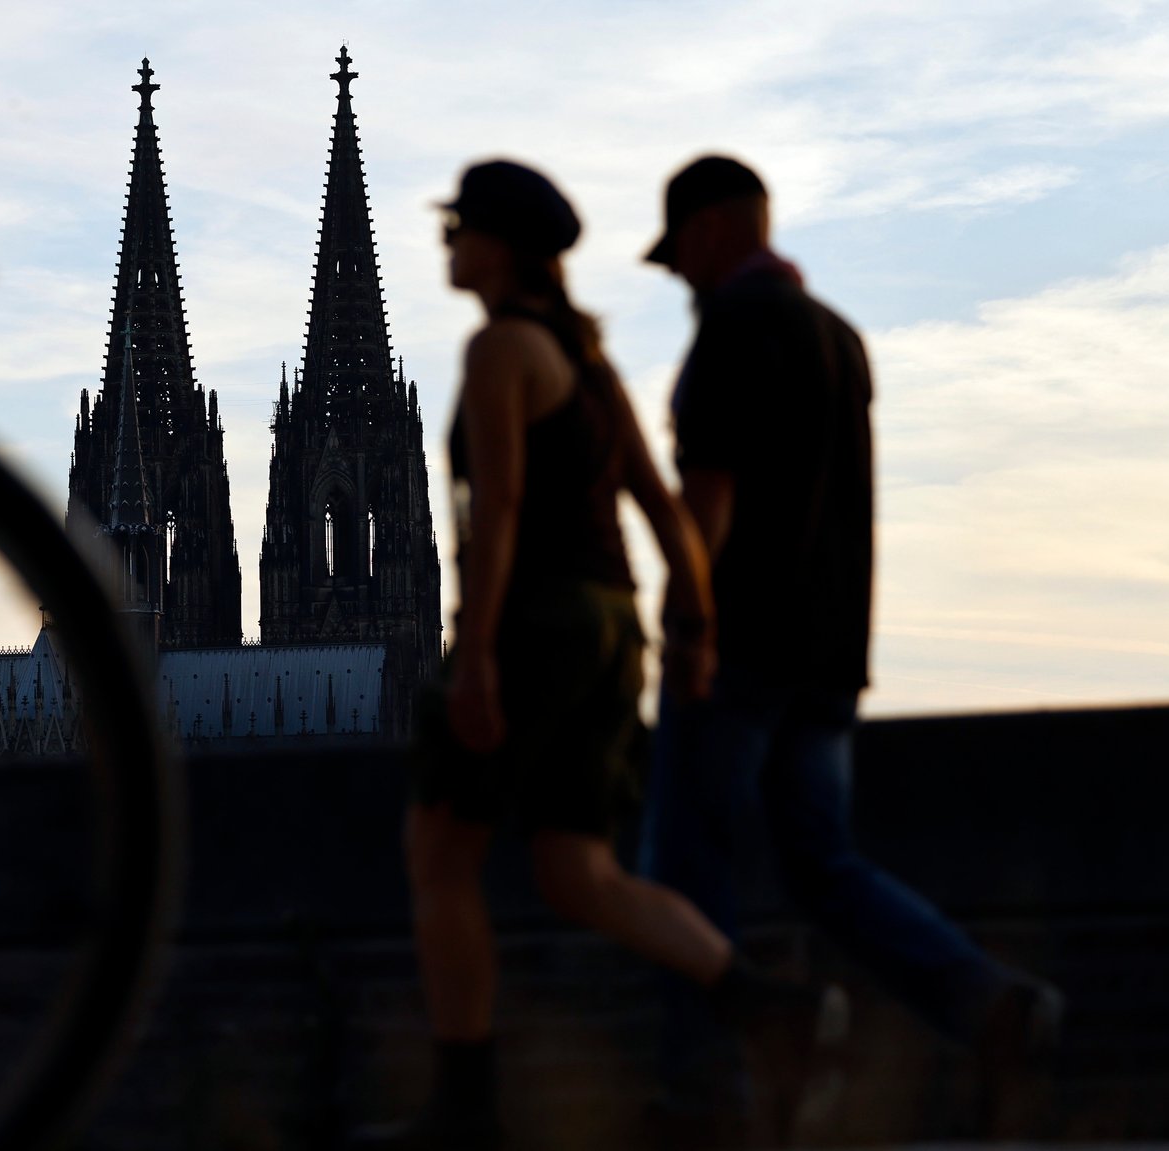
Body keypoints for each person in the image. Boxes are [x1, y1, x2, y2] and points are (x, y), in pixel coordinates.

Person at [358, 160, 843, 1151]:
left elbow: (493, 510)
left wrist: (478, 654)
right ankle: (768, 1005)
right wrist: (693, 627)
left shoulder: (500, 348)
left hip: (534, 618)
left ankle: (463, 1108)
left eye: (456, 228)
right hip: (611, 626)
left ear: (497, 247)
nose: (445, 243)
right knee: (578, 870)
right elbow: (663, 513)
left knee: (438, 852)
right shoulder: (590, 365)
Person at [636, 154, 1064, 1139]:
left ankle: (707, 1088)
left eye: (677, 256)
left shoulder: (731, 329)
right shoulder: (839, 337)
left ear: (707, 230)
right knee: (823, 863)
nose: (676, 278)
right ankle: (988, 1002)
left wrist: (684, 624)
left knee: (681, 864)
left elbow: (710, 498)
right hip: (826, 657)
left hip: (736, 647)